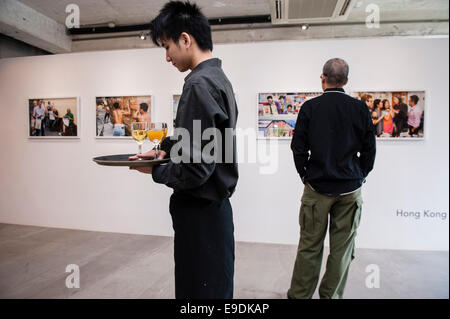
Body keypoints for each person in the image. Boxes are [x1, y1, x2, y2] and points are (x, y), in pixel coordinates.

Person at [129, 1, 238, 299]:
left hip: (200, 215)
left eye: (167, 47)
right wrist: (164, 148)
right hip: (214, 213)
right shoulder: (220, 80)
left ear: (186, 39)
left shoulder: (198, 85)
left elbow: (195, 169)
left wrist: (154, 170)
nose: (167, 57)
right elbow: (207, 145)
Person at [288, 58, 376, 299]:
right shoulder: (359, 108)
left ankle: (299, 295)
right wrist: (361, 174)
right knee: (342, 250)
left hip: (317, 187)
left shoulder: (310, 107)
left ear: (322, 78)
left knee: (309, 247)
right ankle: (331, 296)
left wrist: (305, 174)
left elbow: (298, 148)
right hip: (350, 189)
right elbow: (369, 149)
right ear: (346, 81)